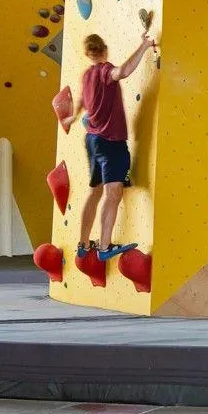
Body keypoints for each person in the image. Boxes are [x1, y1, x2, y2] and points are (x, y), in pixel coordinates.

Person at [61, 32, 154, 261]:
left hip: (92, 140)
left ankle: (83, 245)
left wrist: (73, 118)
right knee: (113, 193)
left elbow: (82, 101)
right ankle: (104, 247)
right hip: (111, 141)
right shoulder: (104, 71)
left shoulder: (87, 75)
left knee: (95, 192)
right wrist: (144, 45)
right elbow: (122, 72)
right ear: (104, 50)